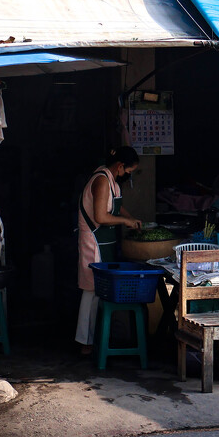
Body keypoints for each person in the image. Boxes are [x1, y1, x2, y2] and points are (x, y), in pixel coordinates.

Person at [75, 146, 143, 354]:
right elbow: (101, 217)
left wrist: (130, 218)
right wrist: (126, 222)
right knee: (91, 292)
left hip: (105, 242)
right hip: (94, 241)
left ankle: (94, 340)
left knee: (99, 292)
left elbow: (115, 206)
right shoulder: (102, 180)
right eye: (128, 171)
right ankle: (85, 343)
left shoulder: (111, 180)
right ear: (120, 166)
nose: (128, 175)